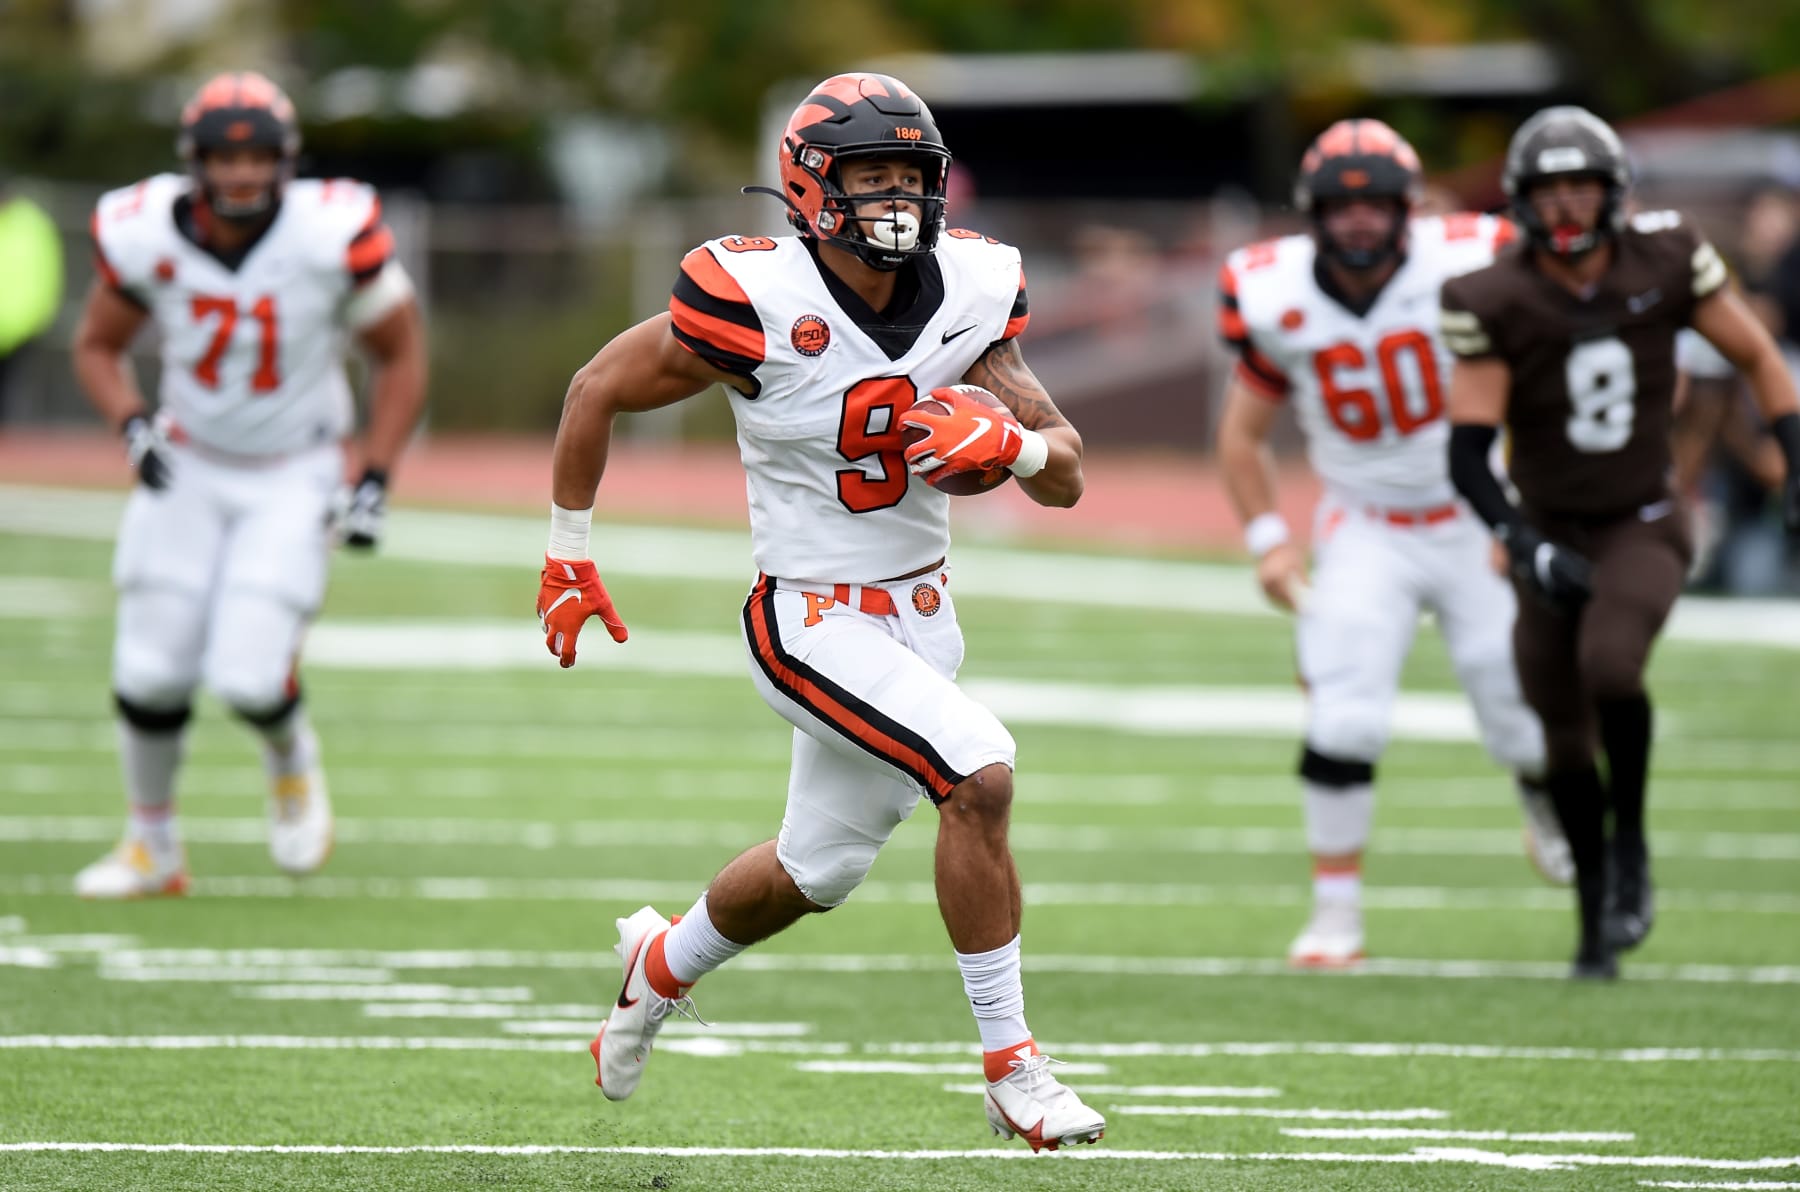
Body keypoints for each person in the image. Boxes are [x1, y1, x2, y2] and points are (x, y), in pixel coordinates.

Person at [535, 72, 1105, 1152]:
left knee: (816, 869)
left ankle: (656, 968)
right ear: (810, 188)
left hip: (923, 618)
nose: (895, 197)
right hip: (804, 617)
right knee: (977, 771)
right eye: (870, 175)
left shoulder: (975, 291)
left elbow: (1068, 472)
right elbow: (594, 386)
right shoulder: (754, 294)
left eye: (910, 175)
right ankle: (1011, 1068)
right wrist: (569, 552)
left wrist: (1019, 446)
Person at [1442, 106, 1800, 978]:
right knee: (1560, 733)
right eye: (1550, 190)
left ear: (1613, 195)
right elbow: (1468, 449)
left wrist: (1794, 463)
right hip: (1549, 527)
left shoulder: (1668, 256)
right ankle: (1595, 915)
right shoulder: (1493, 294)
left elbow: (1758, 357)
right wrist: (1520, 541)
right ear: (1525, 202)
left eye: (1582, 187)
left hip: (1642, 516)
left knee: (1613, 667)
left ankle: (1632, 848)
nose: (1567, 207)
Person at [1214, 118, 1567, 970]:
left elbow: (1542, 384)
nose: (1361, 221)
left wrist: (1528, 512)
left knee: (1517, 714)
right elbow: (1242, 434)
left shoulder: (1473, 259)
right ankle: (1337, 916)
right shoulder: (1274, 292)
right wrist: (1268, 539)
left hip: (1474, 510)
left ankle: (1549, 811)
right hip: (1365, 521)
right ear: (1312, 212)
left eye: (1377, 205)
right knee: (1344, 711)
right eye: (1342, 205)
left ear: (1410, 209)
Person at [71, 71, 428, 898]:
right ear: (193, 162)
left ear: (286, 161)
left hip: (294, 468)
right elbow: (97, 344)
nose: (241, 175)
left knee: (248, 676)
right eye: (225, 158)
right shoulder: (142, 230)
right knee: (150, 670)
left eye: (258, 157)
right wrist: (130, 420)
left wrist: (373, 474)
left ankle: (289, 753)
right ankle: (150, 845)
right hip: (188, 461)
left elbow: (400, 354)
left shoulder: (327, 230)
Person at [0, 174, 64, 419]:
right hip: (20, 325)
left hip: (20, 330)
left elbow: (41, 274)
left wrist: (30, 321)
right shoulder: (33, 222)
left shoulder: (31, 223)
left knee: (9, 394)